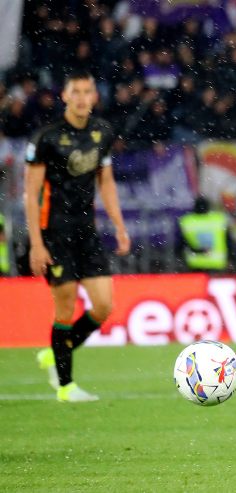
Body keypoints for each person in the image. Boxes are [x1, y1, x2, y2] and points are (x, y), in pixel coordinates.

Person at [25, 69, 130, 403]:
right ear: (65, 96)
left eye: (88, 92)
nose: (82, 98)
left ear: (95, 97)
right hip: (55, 231)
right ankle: (66, 386)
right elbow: (31, 194)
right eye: (76, 92)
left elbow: (106, 182)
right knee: (66, 305)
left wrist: (119, 224)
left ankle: (57, 351)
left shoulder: (102, 133)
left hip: (87, 230)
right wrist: (36, 244)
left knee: (104, 305)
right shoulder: (47, 138)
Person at [178, 196, 230, 272]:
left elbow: (181, 243)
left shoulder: (187, 221)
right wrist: (231, 258)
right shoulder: (219, 219)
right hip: (216, 263)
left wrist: (196, 251)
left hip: (195, 263)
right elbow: (228, 240)